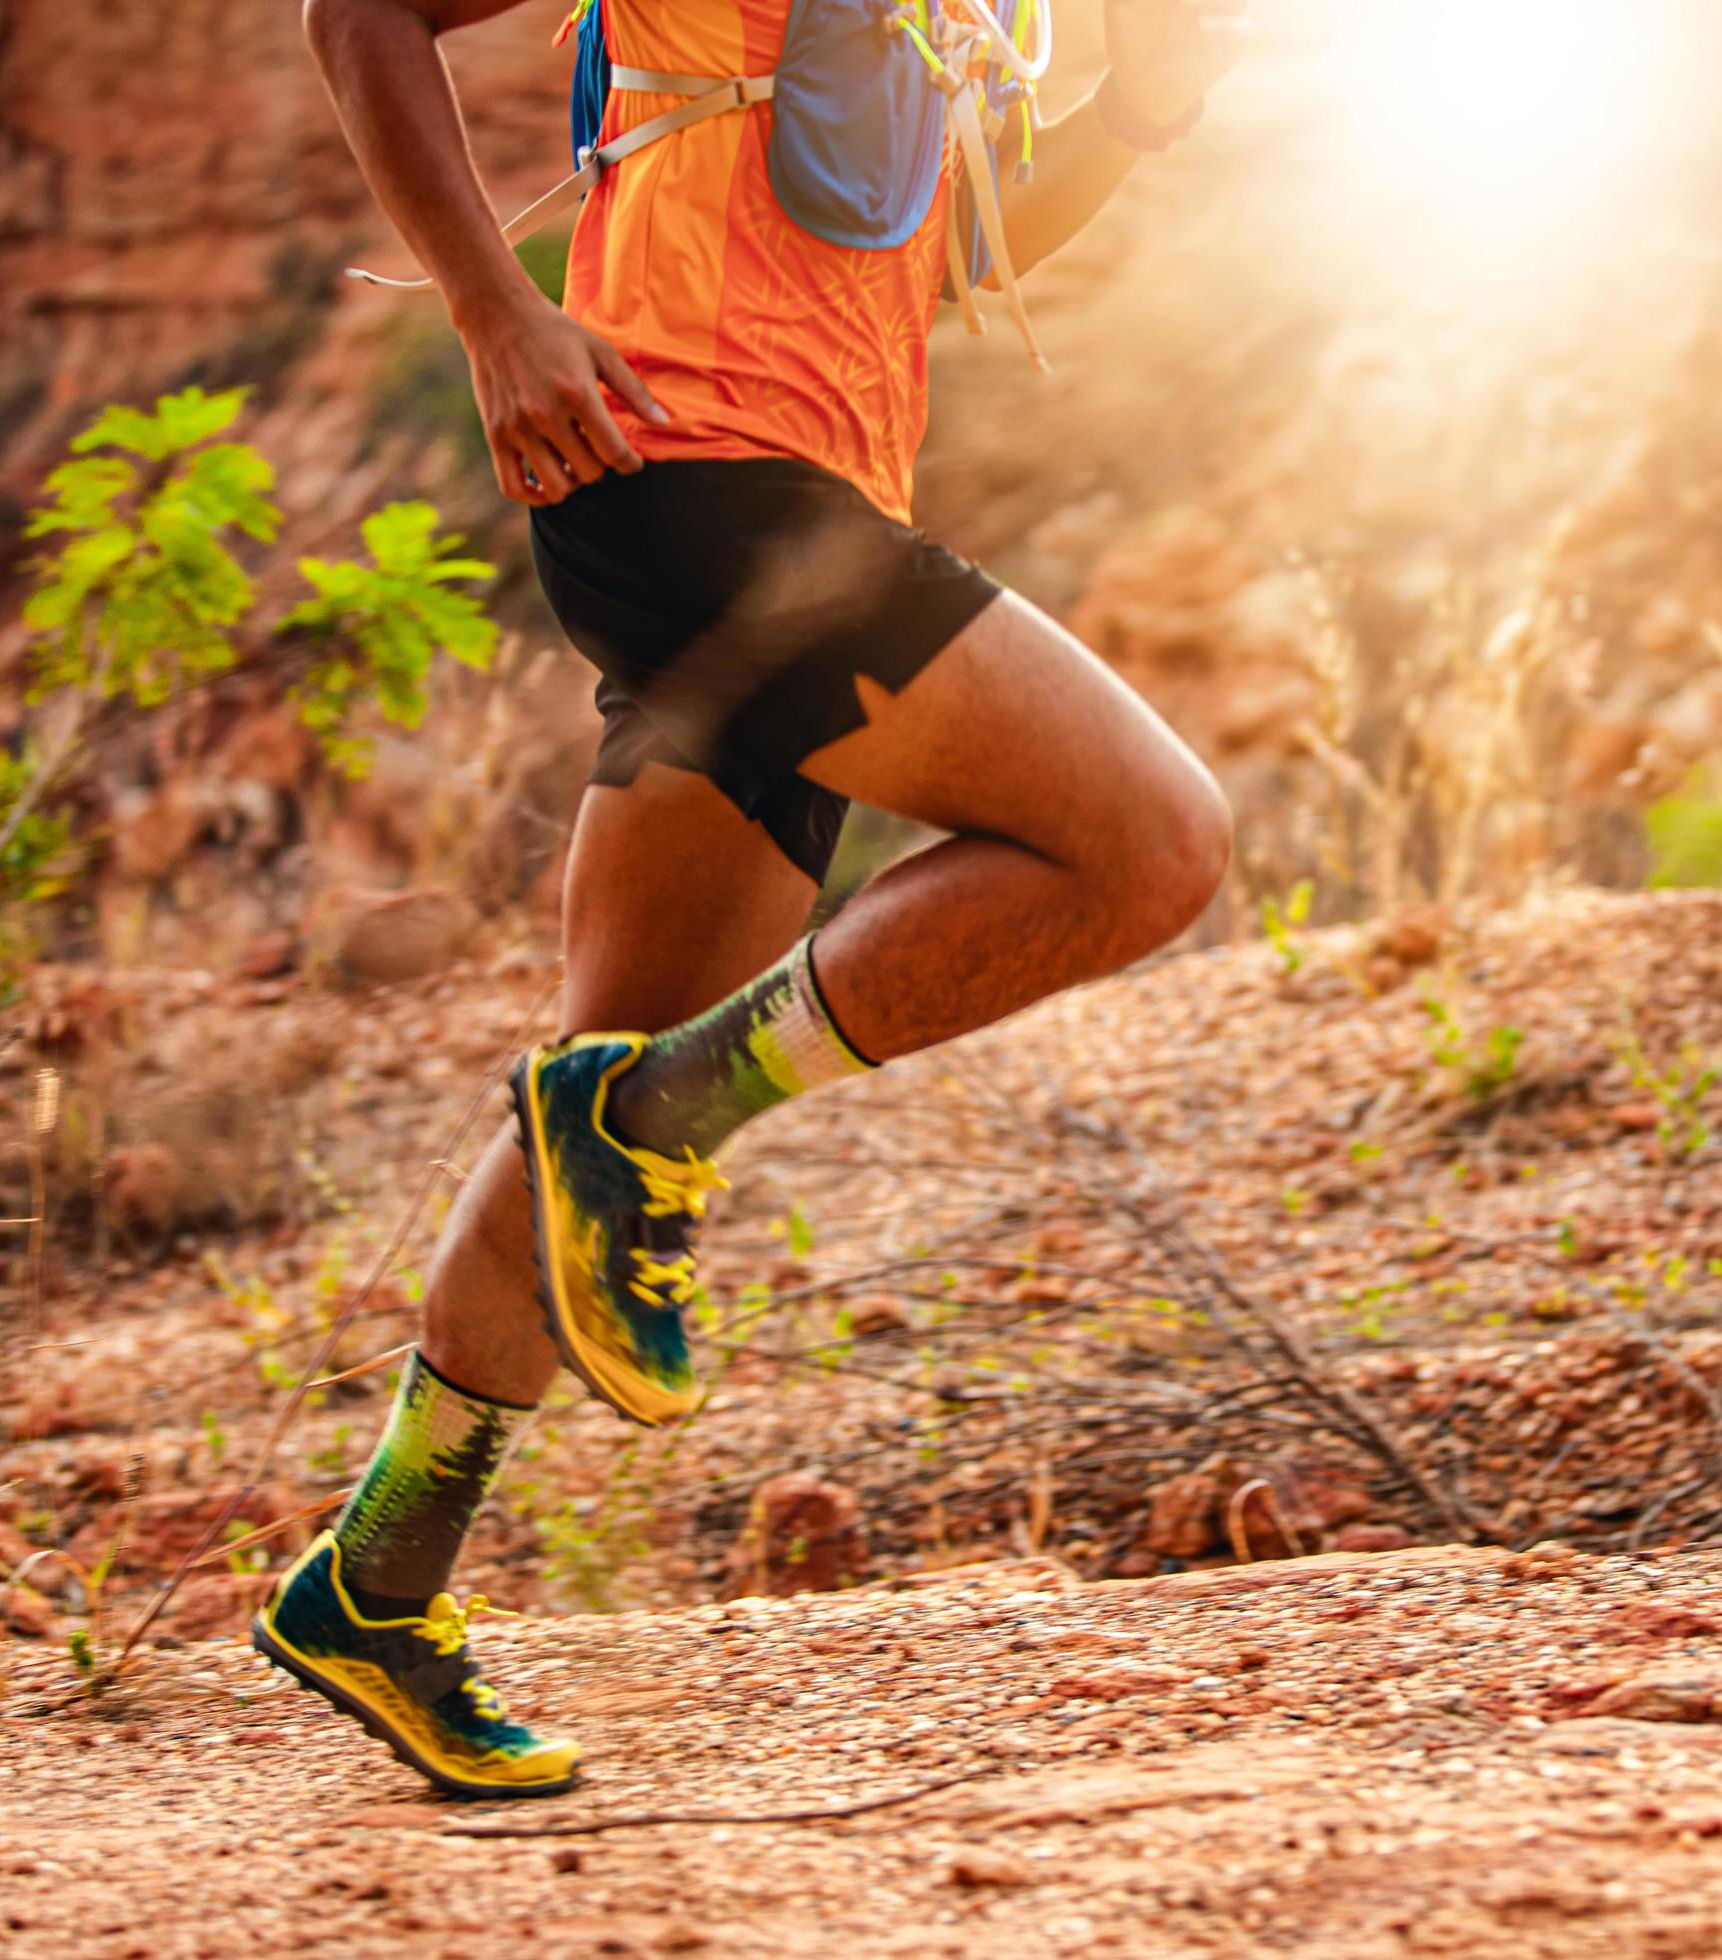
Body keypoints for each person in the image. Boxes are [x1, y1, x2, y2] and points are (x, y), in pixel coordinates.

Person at [257, 0, 1243, 1798]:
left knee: (591, 1079)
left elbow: (934, 247)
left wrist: (1138, 115)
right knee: (1153, 844)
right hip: (692, 471)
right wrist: (496, 314)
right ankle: (654, 1118)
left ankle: (378, 1584)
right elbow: (360, 15)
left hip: (784, 497)